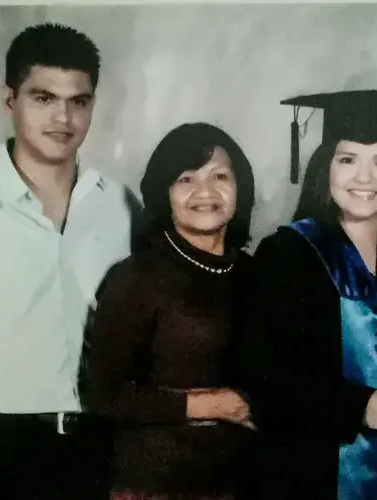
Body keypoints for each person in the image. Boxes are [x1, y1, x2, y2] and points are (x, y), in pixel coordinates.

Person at [0, 22, 138, 500]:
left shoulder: (121, 203)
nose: (62, 117)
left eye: (78, 101)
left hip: (106, 446)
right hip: (1, 447)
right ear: (9, 101)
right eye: (43, 98)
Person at [240, 90, 377, 500]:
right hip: (308, 473)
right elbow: (261, 378)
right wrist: (357, 406)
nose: (364, 179)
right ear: (324, 170)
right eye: (347, 159)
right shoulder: (288, 254)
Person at [85, 122, 257, 500]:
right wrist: (212, 404)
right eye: (186, 179)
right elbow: (101, 394)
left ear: (240, 187)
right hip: (156, 484)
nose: (205, 192)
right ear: (165, 193)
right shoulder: (136, 278)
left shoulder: (257, 274)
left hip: (243, 480)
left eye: (220, 176)